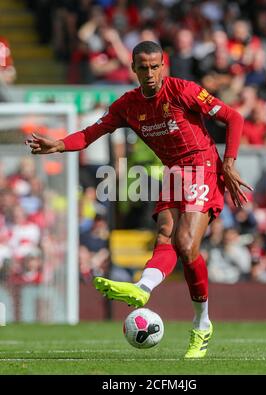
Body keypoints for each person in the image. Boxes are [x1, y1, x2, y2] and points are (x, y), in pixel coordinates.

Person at [26, 40, 252, 359]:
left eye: (155, 66)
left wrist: (228, 162)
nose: (149, 73)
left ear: (164, 65)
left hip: (203, 164)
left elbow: (234, 117)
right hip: (173, 172)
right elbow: (91, 133)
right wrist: (60, 145)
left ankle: (202, 325)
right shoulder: (128, 105)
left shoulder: (182, 90)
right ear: (133, 68)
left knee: (186, 244)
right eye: (143, 67)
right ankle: (142, 288)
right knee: (165, 236)